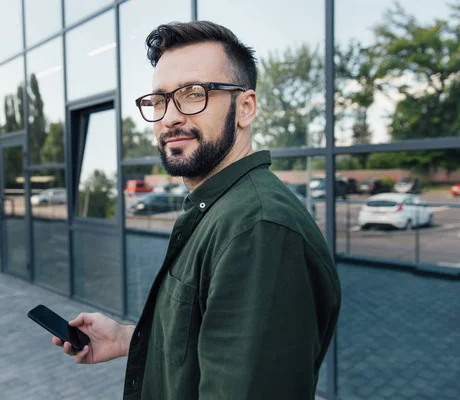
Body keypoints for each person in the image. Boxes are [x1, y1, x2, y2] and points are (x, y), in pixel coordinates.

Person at [53, 20, 341, 399]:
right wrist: (127, 337)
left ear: (246, 108)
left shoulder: (258, 228)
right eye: (159, 100)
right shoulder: (217, 207)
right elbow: (203, 333)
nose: (169, 117)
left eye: (193, 93)